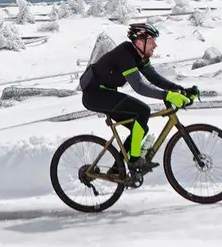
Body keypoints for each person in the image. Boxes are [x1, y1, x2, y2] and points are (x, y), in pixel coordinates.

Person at [79, 22, 198, 177]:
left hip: (105, 94)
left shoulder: (139, 56)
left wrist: (179, 89)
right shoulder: (125, 53)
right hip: (95, 94)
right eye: (152, 41)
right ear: (140, 42)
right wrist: (167, 96)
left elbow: (154, 77)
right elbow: (139, 86)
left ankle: (117, 170)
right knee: (142, 111)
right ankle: (134, 160)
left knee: (140, 126)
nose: (155, 45)